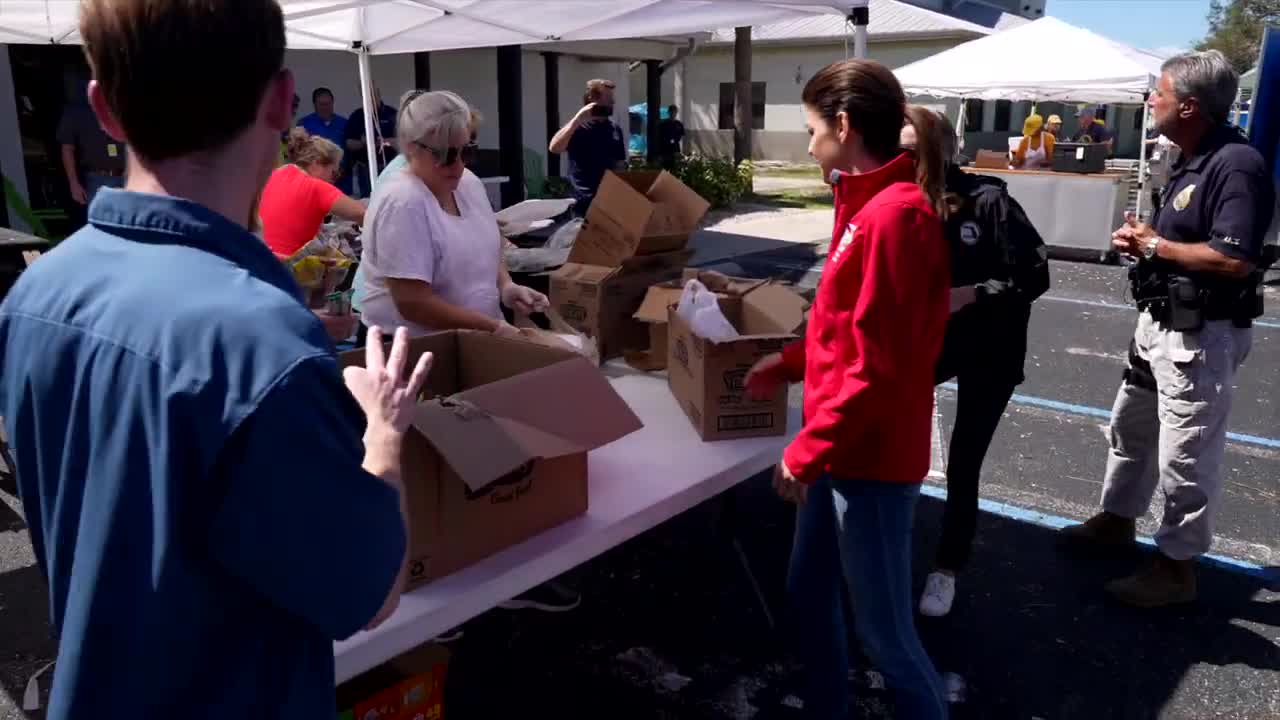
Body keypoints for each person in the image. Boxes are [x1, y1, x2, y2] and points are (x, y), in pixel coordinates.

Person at [0, 0, 430, 717]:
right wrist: (385, 431)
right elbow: (372, 594)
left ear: (105, 111)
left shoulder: (35, 293)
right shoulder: (264, 349)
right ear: (284, 101)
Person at [744, 59, 951, 720]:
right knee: (808, 594)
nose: (807, 145)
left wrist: (806, 450)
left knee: (887, 635)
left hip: (870, 463)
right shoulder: (863, 205)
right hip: (840, 448)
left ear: (842, 125)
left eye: (811, 129)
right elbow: (840, 329)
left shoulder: (897, 218)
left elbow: (878, 367)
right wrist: (788, 364)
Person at [1061, 50, 1275, 607]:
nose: (1150, 100)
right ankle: (1117, 520)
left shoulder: (1236, 164)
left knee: (1186, 451)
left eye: (1158, 92)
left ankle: (1175, 568)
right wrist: (1144, 237)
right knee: (1131, 429)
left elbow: (1236, 259)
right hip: (1159, 323)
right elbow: (1179, 233)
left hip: (1200, 335)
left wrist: (1155, 245)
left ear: (1189, 105)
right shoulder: (1190, 157)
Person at [902, 107, 1051, 617]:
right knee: (899, 445)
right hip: (932, 345)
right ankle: (890, 544)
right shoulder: (904, 204)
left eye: (908, 152)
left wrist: (970, 294)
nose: (898, 162)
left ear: (938, 151)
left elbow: (1034, 278)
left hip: (992, 348)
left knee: (964, 462)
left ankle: (947, 567)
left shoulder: (989, 202)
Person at [260, 128, 366, 258]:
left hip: (260, 258)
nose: (333, 181)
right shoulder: (316, 187)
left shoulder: (274, 175)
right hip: (285, 267)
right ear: (317, 163)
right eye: (334, 173)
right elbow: (363, 214)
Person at [548, 78, 626, 216]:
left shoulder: (615, 129)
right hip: (582, 202)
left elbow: (619, 164)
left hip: (608, 201)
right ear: (592, 99)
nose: (612, 102)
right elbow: (555, 148)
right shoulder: (578, 127)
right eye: (608, 97)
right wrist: (578, 119)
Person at [58, 100, 126, 208]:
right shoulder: (78, 112)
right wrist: (73, 184)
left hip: (128, 178)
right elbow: (67, 149)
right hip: (97, 179)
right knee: (102, 221)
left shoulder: (125, 109)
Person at [345, 86, 399, 194]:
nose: (371, 99)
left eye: (373, 95)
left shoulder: (392, 113)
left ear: (378, 94)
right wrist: (364, 144)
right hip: (365, 169)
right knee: (369, 199)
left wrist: (385, 141)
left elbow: (403, 141)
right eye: (366, 96)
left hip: (390, 166)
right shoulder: (357, 116)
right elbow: (349, 143)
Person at [299, 87, 351, 193]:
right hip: (316, 180)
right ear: (314, 104)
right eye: (322, 104)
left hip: (342, 180)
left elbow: (350, 150)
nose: (325, 107)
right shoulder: (304, 124)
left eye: (328, 103)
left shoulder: (344, 123)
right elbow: (301, 153)